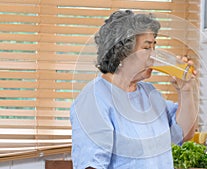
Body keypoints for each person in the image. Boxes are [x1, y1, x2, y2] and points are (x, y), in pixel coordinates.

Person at [70, 10, 198, 169]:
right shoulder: (94, 99)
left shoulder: (149, 93)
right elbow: (91, 165)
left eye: (154, 46)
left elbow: (183, 134)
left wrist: (185, 91)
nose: (153, 55)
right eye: (146, 48)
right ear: (122, 53)